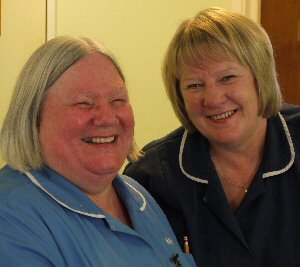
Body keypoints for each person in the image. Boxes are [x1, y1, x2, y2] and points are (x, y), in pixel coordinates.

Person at [124, 7, 300, 266]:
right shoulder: (150, 179)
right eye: (195, 85)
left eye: (227, 77)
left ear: (260, 76)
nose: (214, 99)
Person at [0, 36, 196, 267]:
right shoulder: (12, 215)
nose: (106, 117)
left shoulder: (139, 197)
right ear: (33, 116)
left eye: (117, 99)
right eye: (84, 103)